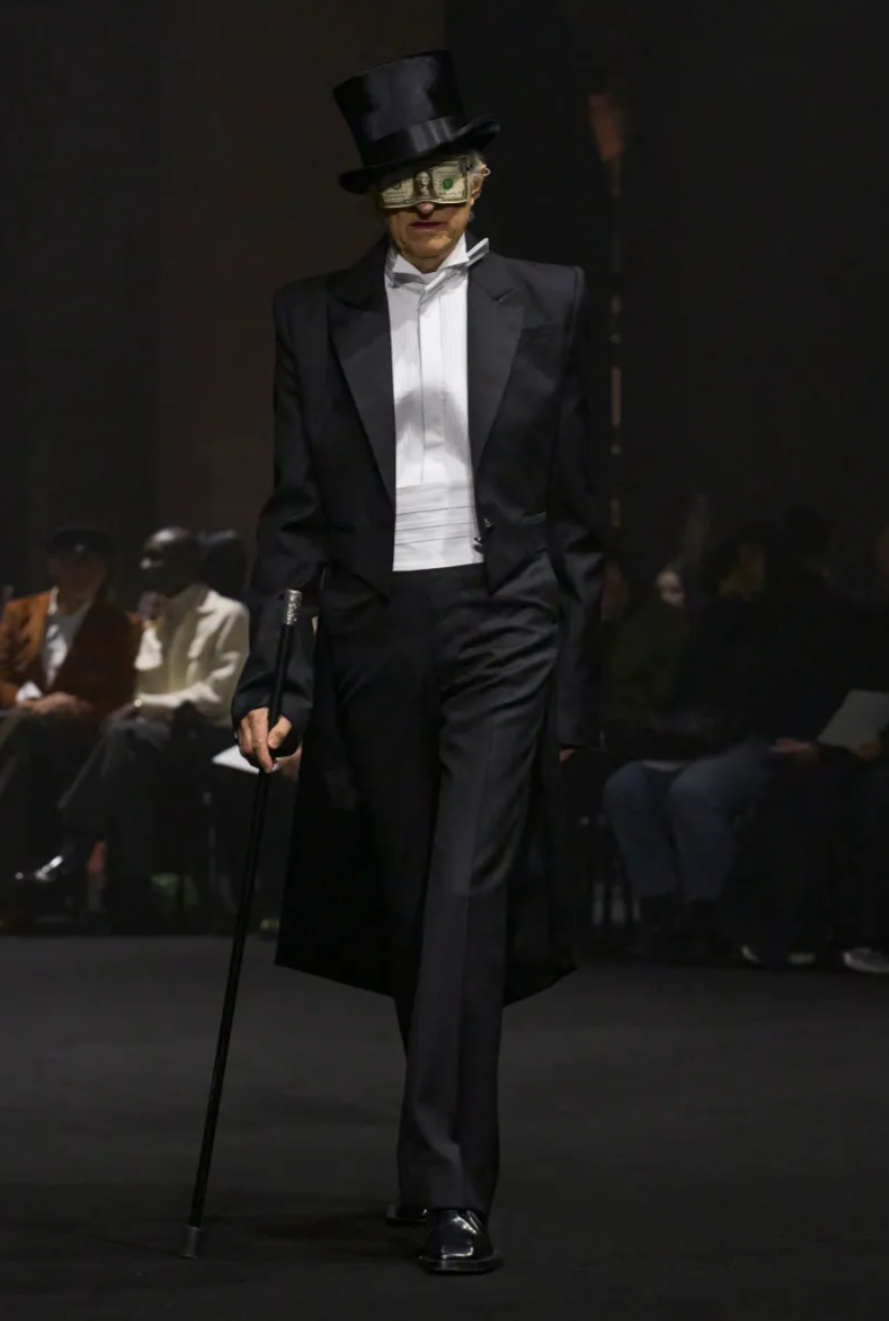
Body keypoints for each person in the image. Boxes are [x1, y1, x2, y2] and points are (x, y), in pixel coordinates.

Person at [234, 51, 602, 1276]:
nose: (428, 201)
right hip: (374, 631)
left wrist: (571, 685)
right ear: (374, 198)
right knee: (409, 906)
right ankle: (428, 1161)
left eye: (446, 176)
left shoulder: (550, 299)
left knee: (461, 899)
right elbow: (293, 515)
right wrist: (269, 680)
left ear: (480, 177)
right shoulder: (312, 313)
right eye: (402, 185)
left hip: (506, 623)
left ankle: (453, 1189)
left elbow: (576, 516)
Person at [18, 528, 249, 926]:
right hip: (151, 740)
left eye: (157, 557)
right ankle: (127, 889)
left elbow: (218, 696)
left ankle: (71, 855)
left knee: (125, 737)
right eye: (144, 557)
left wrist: (143, 707)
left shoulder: (227, 615)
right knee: (118, 754)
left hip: (206, 737)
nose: (145, 566)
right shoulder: (154, 621)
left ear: (190, 562)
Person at [602, 524, 781, 962]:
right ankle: (660, 907)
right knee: (626, 788)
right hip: (700, 738)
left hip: (756, 738)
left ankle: (712, 914)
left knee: (694, 792)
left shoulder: (774, 620)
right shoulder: (703, 622)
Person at [0, 528, 141, 875]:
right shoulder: (20, 612)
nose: (87, 574)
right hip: (21, 722)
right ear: (54, 567)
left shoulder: (121, 625)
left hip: (80, 734)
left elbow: (124, 691)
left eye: (96, 566)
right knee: (26, 737)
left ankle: (30, 868)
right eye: (77, 563)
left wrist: (73, 705)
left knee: (30, 742)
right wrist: (26, 700)